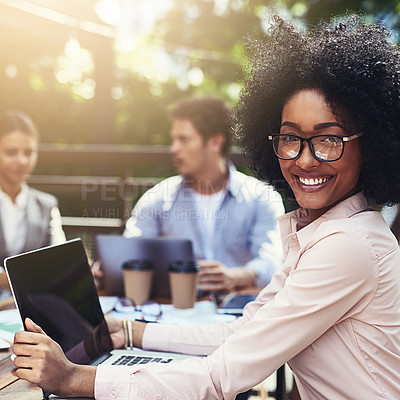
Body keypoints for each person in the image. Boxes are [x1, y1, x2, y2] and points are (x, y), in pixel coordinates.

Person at [12, 14, 400, 399]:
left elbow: (219, 378)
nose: (304, 159)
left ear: (371, 145)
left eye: (328, 140)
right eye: (289, 138)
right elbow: (243, 332)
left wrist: (74, 380)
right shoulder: (321, 235)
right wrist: (131, 332)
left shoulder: (347, 247)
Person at [124, 95, 284, 293]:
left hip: (240, 310)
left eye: (183, 139)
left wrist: (237, 276)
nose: (173, 148)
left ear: (216, 142)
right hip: (178, 312)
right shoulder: (157, 198)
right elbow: (130, 254)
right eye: (173, 140)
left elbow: (272, 261)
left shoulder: (261, 197)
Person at [0, 110, 65, 288]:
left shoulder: (46, 205)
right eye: (11, 152)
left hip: (30, 307)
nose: (21, 161)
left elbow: (60, 258)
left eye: (28, 153)